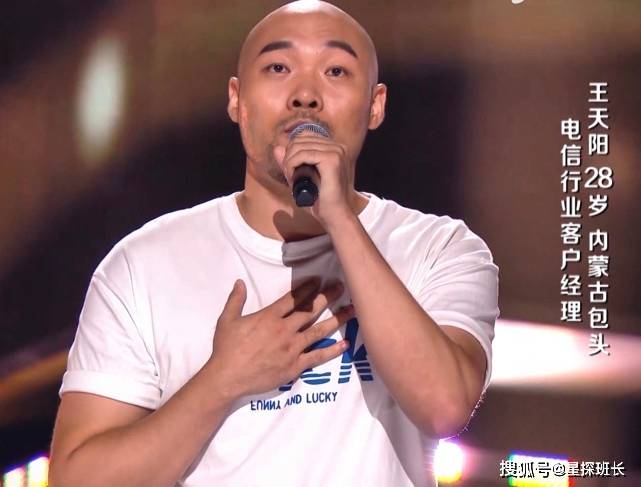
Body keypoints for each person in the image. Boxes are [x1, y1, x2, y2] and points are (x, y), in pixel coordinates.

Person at [49, 1, 499, 485]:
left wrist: (339, 219)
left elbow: (445, 406)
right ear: (236, 100)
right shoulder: (142, 266)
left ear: (375, 106)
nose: (305, 95)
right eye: (279, 68)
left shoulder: (439, 248)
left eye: (335, 71)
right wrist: (222, 380)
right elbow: (76, 479)